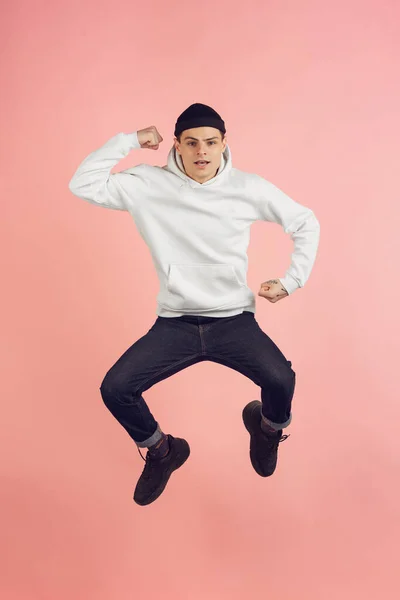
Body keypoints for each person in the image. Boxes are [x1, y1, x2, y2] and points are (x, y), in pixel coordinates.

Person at [68, 103, 320, 506]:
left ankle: (267, 430)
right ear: (177, 146)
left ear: (223, 144)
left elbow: (305, 222)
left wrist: (292, 281)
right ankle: (164, 451)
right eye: (191, 143)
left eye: (210, 142)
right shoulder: (147, 185)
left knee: (281, 380)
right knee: (116, 388)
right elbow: (83, 184)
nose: (201, 151)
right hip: (175, 324)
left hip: (234, 321)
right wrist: (129, 142)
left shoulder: (247, 187)